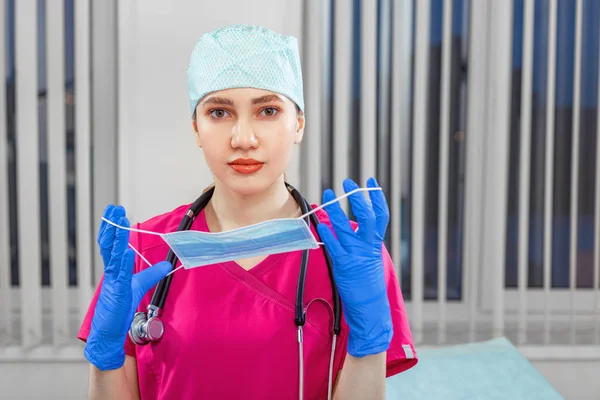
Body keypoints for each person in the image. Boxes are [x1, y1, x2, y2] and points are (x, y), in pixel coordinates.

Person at [77, 24, 417, 399]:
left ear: (298, 124)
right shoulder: (142, 253)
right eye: (219, 112)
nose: (243, 139)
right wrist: (105, 358)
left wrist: (368, 345)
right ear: (196, 128)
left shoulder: (351, 253)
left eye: (268, 110)